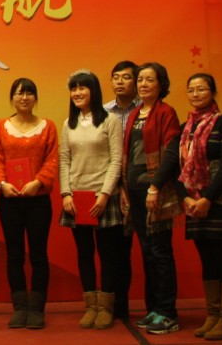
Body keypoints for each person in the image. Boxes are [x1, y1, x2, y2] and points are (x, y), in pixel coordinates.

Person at [179, 73, 222, 340]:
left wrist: (208, 198)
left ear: (213, 92)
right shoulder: (186, 127)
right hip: (193, 203)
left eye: (201, 89)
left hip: (220, 202)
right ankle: (213, 315)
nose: (196, 94)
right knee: (207, 258)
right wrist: (186, 198)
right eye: (191, 90)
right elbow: (178, 166)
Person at [57, 70, 123, 329]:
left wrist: (105, 194)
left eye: (82, 88)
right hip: (77, 198)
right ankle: (91, 306)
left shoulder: (110, 120)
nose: (77, 93)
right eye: (73, 89)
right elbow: (64, 160)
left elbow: (116, 160)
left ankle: (105, 308)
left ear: (93, 91)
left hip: (103, 198)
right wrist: (66, 193)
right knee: (84, 254)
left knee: (108, 255)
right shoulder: (68, 123)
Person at [0, 78, 59, 330]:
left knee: (39, 255)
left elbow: (52, 160)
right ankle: (20, 307)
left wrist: (38, 183)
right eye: (19, 93)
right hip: (10, 200)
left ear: (35, 98)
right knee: (15, 255)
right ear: (12, 98)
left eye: (29, 93)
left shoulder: (48, 126)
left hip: (38, 200)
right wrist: (2, 184)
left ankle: (37, 309)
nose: (24, 97)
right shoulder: (1, 126)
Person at [122, 63, 182, 334]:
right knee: (147, 252)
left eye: (149, 80)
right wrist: (126, 189)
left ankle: (168, 313)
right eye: (140, 80)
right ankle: (154, 309)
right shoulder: (135, 113)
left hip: (155, 191)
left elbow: (171, 152)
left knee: (161, 252)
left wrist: (155, 186)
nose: (143, 84)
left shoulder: (166, 112)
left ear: (161, 84)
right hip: (134, 190)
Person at [103, 60, 139, 321]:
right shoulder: (104, 112)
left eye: (126, 77)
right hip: (112, 188)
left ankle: (157, 307)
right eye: (116, 77)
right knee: (114, 250)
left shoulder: (146, 110)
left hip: (142, 185)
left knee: (150, 251)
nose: (119, 81)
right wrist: (115, 186)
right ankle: (117, 304)